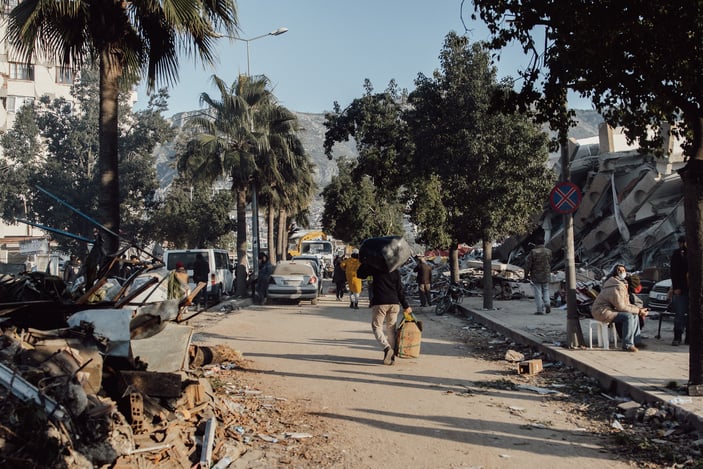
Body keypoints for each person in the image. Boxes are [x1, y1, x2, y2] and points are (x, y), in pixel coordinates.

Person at [357, 261, 412, 365]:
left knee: (377, 327)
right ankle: (391, 358)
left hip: (380, 303)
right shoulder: (395, 271)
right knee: (391, 329)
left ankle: (387, 348)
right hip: (394, 303)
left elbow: (360, 274)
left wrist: (365, 261)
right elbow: (400, 290)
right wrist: (406, 305)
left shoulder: (375, 269)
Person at [591, 264, 648, 352]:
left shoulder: (621, 284)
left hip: (610, 310)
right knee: (628, 316)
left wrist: (639, 310)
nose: (622, 273)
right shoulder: (616, 286)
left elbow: (626, 303)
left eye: (623, 270)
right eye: (619, 271)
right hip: (602, 311)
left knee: (634, 314)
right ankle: (627, 345)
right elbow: (621, 306)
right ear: (615, 272)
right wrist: (639, 311)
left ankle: (636, 341)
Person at [524, 237, 553, 315]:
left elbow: (528, 264)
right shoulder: (548, 251)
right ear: (543, 242)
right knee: (546, 290)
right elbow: (550, 261)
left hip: (536, 275)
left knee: (538, 292)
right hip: (546, 274)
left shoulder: (533, 252)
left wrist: (526, 275)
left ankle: (540, 310)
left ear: (536, 243)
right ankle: (547, 303)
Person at [669, 235, 688, 346]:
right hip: (681, 288)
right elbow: (674, 272)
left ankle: (690, 337)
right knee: (680, 313)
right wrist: (676, 287)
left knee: (692, 314)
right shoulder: (678, 254)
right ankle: (677, 336)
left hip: (694, 288)